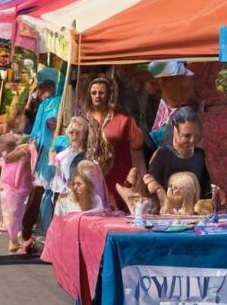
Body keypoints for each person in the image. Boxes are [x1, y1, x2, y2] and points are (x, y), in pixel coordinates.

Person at [80, 74, 145, 211]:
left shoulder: (123, 120)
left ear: (109, 94)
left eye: (101, 92)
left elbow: (137, 151)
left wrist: (141, 180)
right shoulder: (82, 120)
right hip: (89, 178)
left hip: (118, 179)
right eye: (94, 93)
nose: (97, 96)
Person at [143, 106, 213, 198]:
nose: (192, 140)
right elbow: (152, 189)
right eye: (187, 136)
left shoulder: (199, 155)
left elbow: (205, 189)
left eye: (196, 136)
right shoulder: (163, 155)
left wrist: (215, 193)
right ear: (175, 132)